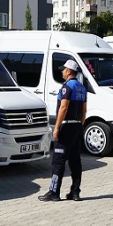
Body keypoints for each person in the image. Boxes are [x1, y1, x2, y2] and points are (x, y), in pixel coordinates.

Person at [39, 59, 88, 202]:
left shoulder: (67, 87)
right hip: (78, 126)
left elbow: (64, 107)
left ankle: (54, 192)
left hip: (66, 127)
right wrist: (80, 126)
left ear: (68, 71)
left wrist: (57, 127)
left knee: (58, 161)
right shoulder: (82, 88)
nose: (62, 71)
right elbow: (84, 111)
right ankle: (75, 192)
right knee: (75, 161)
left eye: (63, 69)